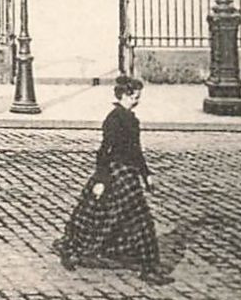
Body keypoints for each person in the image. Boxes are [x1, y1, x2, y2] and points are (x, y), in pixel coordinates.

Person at [53, 76, 171, 285]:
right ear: (124, 96)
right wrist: (101, 180)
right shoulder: (114, 120)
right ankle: (71, 249)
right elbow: (104, 152)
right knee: (104, 218)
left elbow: (136, 150)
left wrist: (146, 174)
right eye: (135, 97)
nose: (137, 101)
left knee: (131, 220)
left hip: (128, 176)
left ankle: (148, 266)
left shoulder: (130, 119)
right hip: (115, 175)